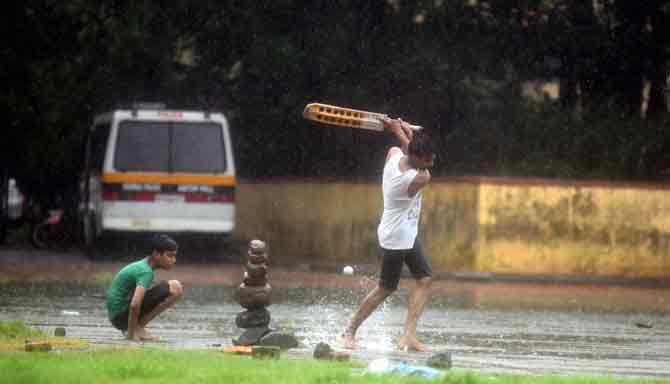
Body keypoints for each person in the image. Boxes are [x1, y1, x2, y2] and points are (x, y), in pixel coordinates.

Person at [341, 117, 435, 352]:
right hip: (397, 237)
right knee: (386, 288)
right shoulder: (418, 178)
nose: (432, 161)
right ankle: (349, 331)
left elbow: (403, 149)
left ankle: (408, 337)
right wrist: (401, 131)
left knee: (424, 279)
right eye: (428, 159)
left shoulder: (394, 158)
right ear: (417, 159)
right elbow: (414, 158)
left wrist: (397, 131)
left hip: (406, 231)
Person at [106, 234, 184, 341]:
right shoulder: (145, 271)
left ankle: (136, 328)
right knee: (176, 287)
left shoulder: (143, 266)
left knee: (172, 287)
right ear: (156, 254)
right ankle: (135, 329)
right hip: (120, 316)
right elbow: (135, 304)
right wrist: (131, 335)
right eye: (170, 256)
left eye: (175, 256)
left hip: (116, 316)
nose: (174, 260)